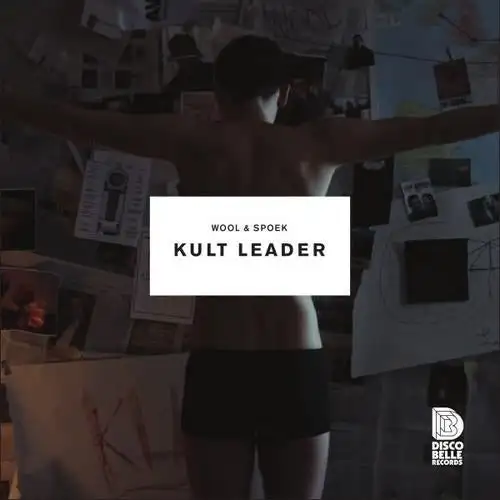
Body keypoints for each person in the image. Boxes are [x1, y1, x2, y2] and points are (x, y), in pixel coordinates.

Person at [1, 34, 499, 499]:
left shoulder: (190, 140)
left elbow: (74, 122)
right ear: (283, 92)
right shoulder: (318, 144)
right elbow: (431, 128)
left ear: (218, 91)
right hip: (293, 357)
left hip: (219, 358)